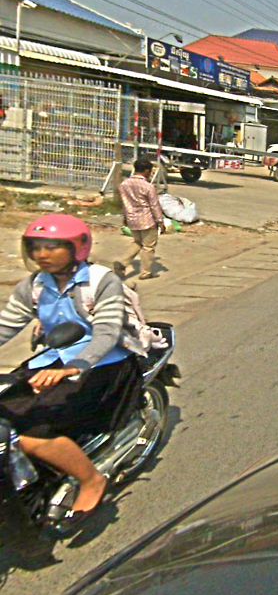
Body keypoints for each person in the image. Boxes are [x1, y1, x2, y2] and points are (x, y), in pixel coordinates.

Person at [0, 216, 145, 519]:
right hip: (53, 358)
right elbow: (6, 325)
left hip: (103, 364)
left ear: (77, 248)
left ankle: (91, 479)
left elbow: (107, 332)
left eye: (53, 247)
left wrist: (74, 367)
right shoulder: (35, 285)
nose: (42, 254)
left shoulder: (101, 281)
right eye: (36, 247)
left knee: (33, 431)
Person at [119, 158, 165, 280]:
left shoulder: (124, 184)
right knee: (148, 246)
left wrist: (125, 217)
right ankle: (146, 272)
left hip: (132, 219)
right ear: (146, 171)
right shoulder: (148, 186)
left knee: (137, 242)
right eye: (150, 171)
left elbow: (124, 203)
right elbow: (154, 205)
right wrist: (160, 221)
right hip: (147, 219)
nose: (150, 174)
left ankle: (123, 263)